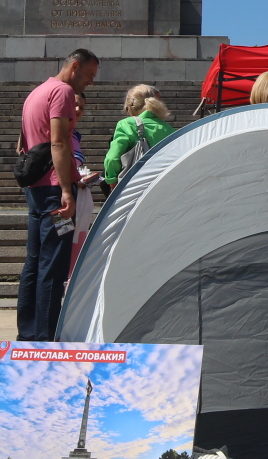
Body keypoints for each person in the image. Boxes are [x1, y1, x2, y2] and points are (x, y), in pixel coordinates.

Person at [15, 48, 98, 340]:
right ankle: (46, 336)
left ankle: (28, 333)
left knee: (34, 262)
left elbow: (22, 145)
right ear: (74, 66)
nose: (90, 82)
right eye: (88, 75)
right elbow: (59, 142)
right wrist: (67, 189)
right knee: (53, 264)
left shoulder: (36, 93)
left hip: (36, 190)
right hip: (54, 192)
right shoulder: (62, 92)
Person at [104, 84, 175, 186]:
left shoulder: (127, 124)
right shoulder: (168, 129)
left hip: (135, 186)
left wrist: (112, 181)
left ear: (130, 107)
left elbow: (112, 158)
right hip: (163, 186)